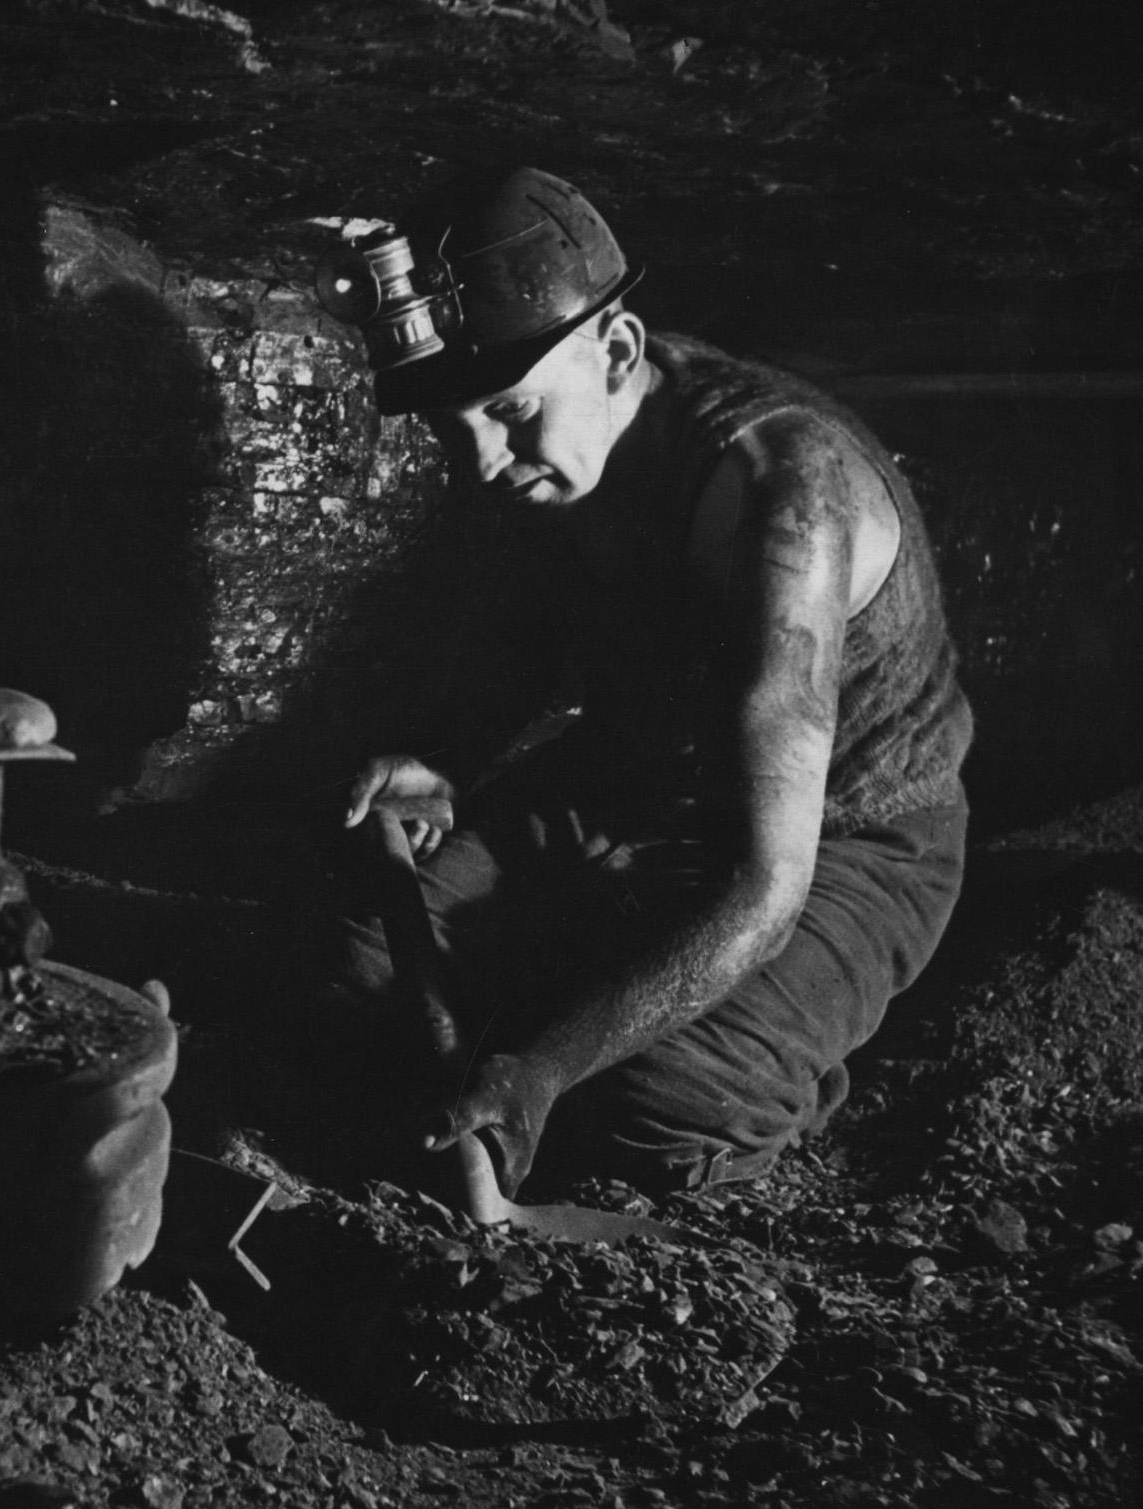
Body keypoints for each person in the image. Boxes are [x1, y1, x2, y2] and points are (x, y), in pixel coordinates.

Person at [318, 167, 974, 1207]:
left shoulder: (781, 501)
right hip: (624, 790)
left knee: (661, 1110)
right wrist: (446, 760)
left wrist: (541, 1066)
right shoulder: (556, 447)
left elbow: (764, 885)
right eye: (455, 428)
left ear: (617, 350)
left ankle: (774, 1063)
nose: (482, 459)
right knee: (353, 972)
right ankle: (584, 1011)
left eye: (509, 411)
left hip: (840, 837)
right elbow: (535, 625)